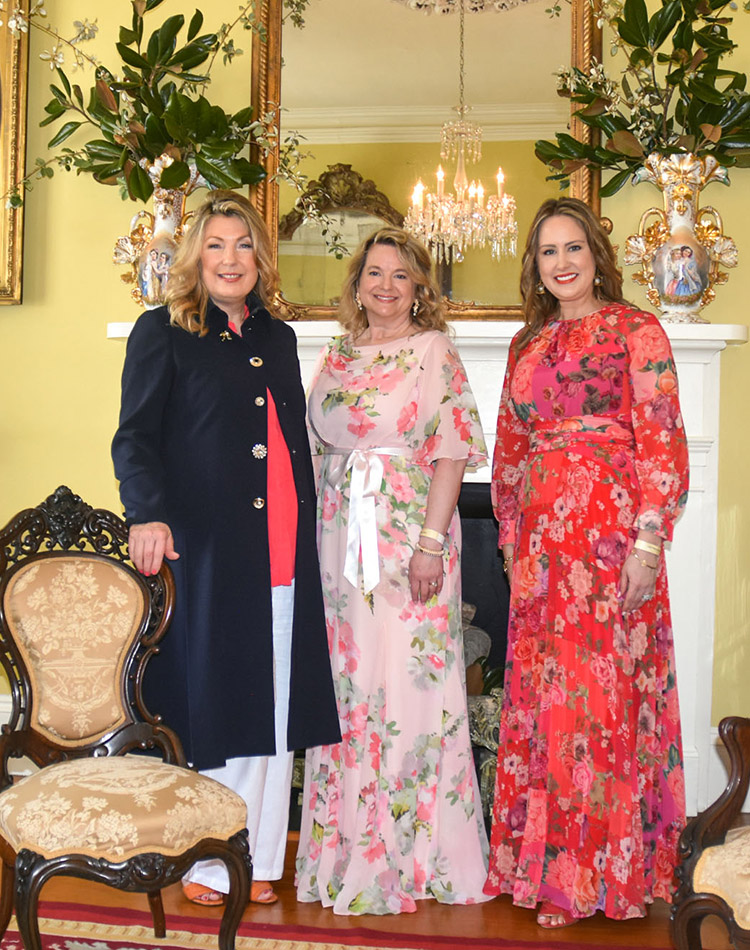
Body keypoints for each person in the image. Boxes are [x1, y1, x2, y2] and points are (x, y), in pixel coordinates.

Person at [112, 189, 340, 907]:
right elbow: (135, 437)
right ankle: (210, 862)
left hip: (284, 547)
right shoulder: (163, 330)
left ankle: (259, 859)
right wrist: (146, 514)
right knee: (225, 702)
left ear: (260, 258)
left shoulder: (279, 337)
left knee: (275, 707)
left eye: (243, 245)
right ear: (195, 256)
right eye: (216, 245)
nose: (230, 259)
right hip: (213, 549)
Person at [485, 197, 689, 928]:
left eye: (573, 247)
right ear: (535, 265)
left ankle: (595, 875)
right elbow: (510, 449)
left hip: (611, 542)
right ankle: (540, 866)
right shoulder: (526, 343)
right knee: (546, 702)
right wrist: (510, 540)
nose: (562, 262)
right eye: (548, 251)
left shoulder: (638, 330)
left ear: (596, 255)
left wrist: (648, 541)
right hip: (541, 548)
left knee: (599, 700)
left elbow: (661, 437)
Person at [295, 227, 492, 916]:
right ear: (356, 284)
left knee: (408, 690)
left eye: (400, 275)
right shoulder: (337, 354)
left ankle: (412, 854)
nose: (385, 286)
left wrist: (431, 543)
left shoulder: (433, 349)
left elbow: (453, 450)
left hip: (408, 541)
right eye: (374, 273)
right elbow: (312, 446)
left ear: (418, 289)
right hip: (336, 545)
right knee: (346, 690)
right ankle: (344, 849)